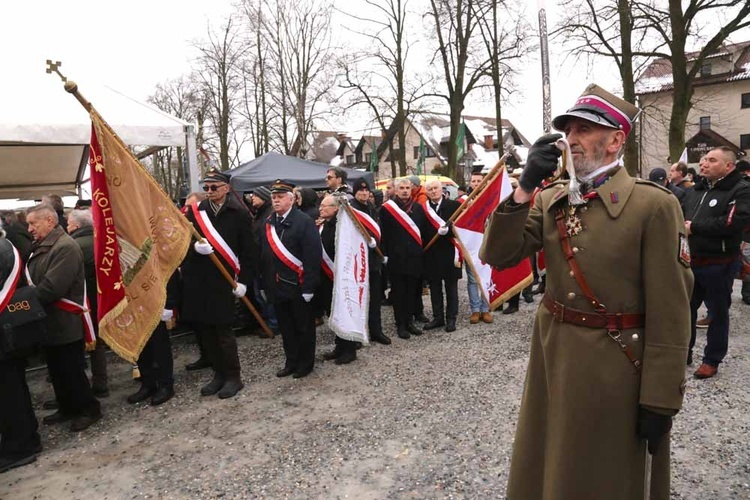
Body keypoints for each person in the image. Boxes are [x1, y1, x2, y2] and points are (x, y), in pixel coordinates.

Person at [479, 84, 692, 499]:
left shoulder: (653, 206)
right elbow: (498, 254)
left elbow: (672, 310)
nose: (571, 138)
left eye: (584, 128)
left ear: (616, 140)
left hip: (617, 367)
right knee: (553, 461)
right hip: (554, 356)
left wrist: (661, 397)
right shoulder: (553, 199)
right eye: (568, 129)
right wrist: (524, 187)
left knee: (608, 474)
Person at [26, 203, 102, 432]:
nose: (29, 228)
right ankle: (67, 407)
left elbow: (52, 288)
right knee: (57, 370)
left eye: (33, 223)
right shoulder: (43, 245)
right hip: (49, 320)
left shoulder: (65, 247)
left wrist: (22, 301)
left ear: (49, 221)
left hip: (64, 320)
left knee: (71, 370)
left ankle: (88, 409)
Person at [182, 169, 256, 399]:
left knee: (223, 332)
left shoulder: (239, 214)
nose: (209, 191)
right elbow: (182, 244)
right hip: (200, 280)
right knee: (206, 331)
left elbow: (249, 251)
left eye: (214, 187)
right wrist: (194, 249)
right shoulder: (196, 213)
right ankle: (218, 374)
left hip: (225, 281)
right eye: (206, 188)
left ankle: (234, 377)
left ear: (226, 188)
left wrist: (243, 282)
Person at [682, 146, 750, 379]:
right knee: (685, 310)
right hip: (690, 261)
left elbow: (734, 222)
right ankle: (684, 351)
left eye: (712, 160)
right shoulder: (694, 190)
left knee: (718, 312)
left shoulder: (740, 190)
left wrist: (694, 228)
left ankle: (712, 359)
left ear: (728, 166)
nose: (704, 164)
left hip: (719, 263)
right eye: (703, 160)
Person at [259, 180, 322, 378]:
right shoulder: (269, 222)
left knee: (303, 327)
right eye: (273, 197)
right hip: (277, 285)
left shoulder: (303, 221)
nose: (276, 201)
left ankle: (305, 363)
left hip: (298, 285)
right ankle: (291, 361)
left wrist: (310, 287)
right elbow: (265, 255)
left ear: (291, 199)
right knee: (286, 328)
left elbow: (313, 256)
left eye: (280, 197)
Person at [0, 227, 42, 472]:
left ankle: (19, 446)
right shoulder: (6, 246)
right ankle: (28, 437)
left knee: (9, 392)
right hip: (10, 331)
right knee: (15, 388)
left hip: (5, 333)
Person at [380, 178, 429, 339]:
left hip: (414, 258)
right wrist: (384, 254)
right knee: (398, 293)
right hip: (396, 258)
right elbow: (384, 234)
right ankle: (400, 324)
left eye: (408, 187)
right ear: (395, 189)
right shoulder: (387, 209)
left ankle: (409, 322)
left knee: (411, 293)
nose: (405, 190)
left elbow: (422, 231)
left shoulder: (417, 208)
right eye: (401, 188)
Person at [67, 210, 108, 398]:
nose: (67, 227)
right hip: (101, 298)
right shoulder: (99, 240)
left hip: (83, 301)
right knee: (98, 343)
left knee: (88, 343)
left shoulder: (73, 246)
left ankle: (92, 385)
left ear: (76, 226)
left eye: (68, 224)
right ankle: (101, 382)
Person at [127, 271, 181, 406]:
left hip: (155, 299)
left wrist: (169, 303)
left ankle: (166, 385)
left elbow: (170, 268)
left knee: (159, 345)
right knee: (141, 345)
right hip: (133, 300)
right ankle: (148, 383)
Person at [349, 181, 390, 345]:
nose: (364, 193)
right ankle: (358, 333)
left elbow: (379, 231)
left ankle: (376, 331)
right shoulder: (350, 209)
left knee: (374, 298)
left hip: (373, 260)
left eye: (366, 190)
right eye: (360, 190)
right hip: (358, 260)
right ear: (355, 192)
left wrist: (381, 252)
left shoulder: (372, 208)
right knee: (358, 299)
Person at [421, 179, 461, 332]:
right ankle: (438, 317)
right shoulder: (423, 209)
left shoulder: (454, 206)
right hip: (432, 254)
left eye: (435, 188)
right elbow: (421, 230)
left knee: (451, 288)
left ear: (442, 189)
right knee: (435, 288)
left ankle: (451, 319)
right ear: (427, 192)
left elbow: (461, 226)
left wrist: (449, 231)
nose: (433, 191)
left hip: (450, 252)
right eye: (430, 189)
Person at [466, 172, 492, 324]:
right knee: (472, 279)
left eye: (478, 181)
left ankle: (485, 309)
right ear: (470, 183)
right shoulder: (463, 201)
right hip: (471, 245)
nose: (476, 183)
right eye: (473, 181)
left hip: (487, 243)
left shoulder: (490, 199)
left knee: (486, 277)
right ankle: (475, 310)